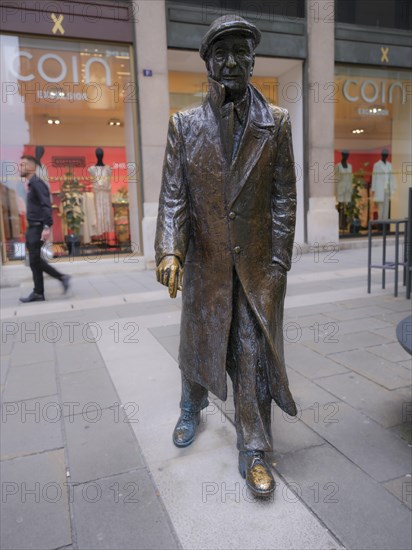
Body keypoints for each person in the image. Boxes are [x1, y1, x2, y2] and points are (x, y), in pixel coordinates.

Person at [155, 15, 297, 497]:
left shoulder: (275, 123)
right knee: (201, 344)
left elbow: (284, 197)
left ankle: (254, 448)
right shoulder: (185, 125)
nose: (232, 61)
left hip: (257, 267)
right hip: (207, 262)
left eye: (241, 51)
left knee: (252, 354)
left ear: (254, 59)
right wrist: (170, 251)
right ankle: (190, 406)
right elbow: (173, 195)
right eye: (221, 53)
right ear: (208, 63)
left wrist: (279, 265)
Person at [18, 155, 71, 303]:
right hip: (32, 228)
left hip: (38, 227)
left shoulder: (37, 183)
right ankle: (39, 292)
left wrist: (46, 226)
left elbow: (46, 204)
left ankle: (60, 278)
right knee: (34, 261)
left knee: (35, 260)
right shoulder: (31, 184)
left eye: (22, 164)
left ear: (30, 167)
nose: (19, 167)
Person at [372, 149, 395, 220]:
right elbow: (374, 177)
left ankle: (385, 224)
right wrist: (373, 189)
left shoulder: (389, 165)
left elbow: (392, 177)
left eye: (386, 155)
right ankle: (380, 225)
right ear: (381, 155)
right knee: (381, 208)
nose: (385, 156)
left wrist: (393, 189)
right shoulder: (376, 165)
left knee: (386, 208)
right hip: (380, 189)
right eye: (384, 155)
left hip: (387, 189)